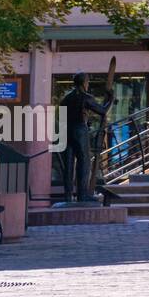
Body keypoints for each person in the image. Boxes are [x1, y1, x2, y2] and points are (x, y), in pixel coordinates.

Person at [59, 73, 114, 204]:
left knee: (69, 164)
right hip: (79, 131)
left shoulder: (65, 99)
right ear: (84, 83)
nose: (88, 84)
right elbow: (102, 111)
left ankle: (67, 196)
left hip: (66, 131)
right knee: (84, 162)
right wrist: (111, 99)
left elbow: (61, 118)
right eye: (88, 82)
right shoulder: (86, 97)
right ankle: (82, 195)